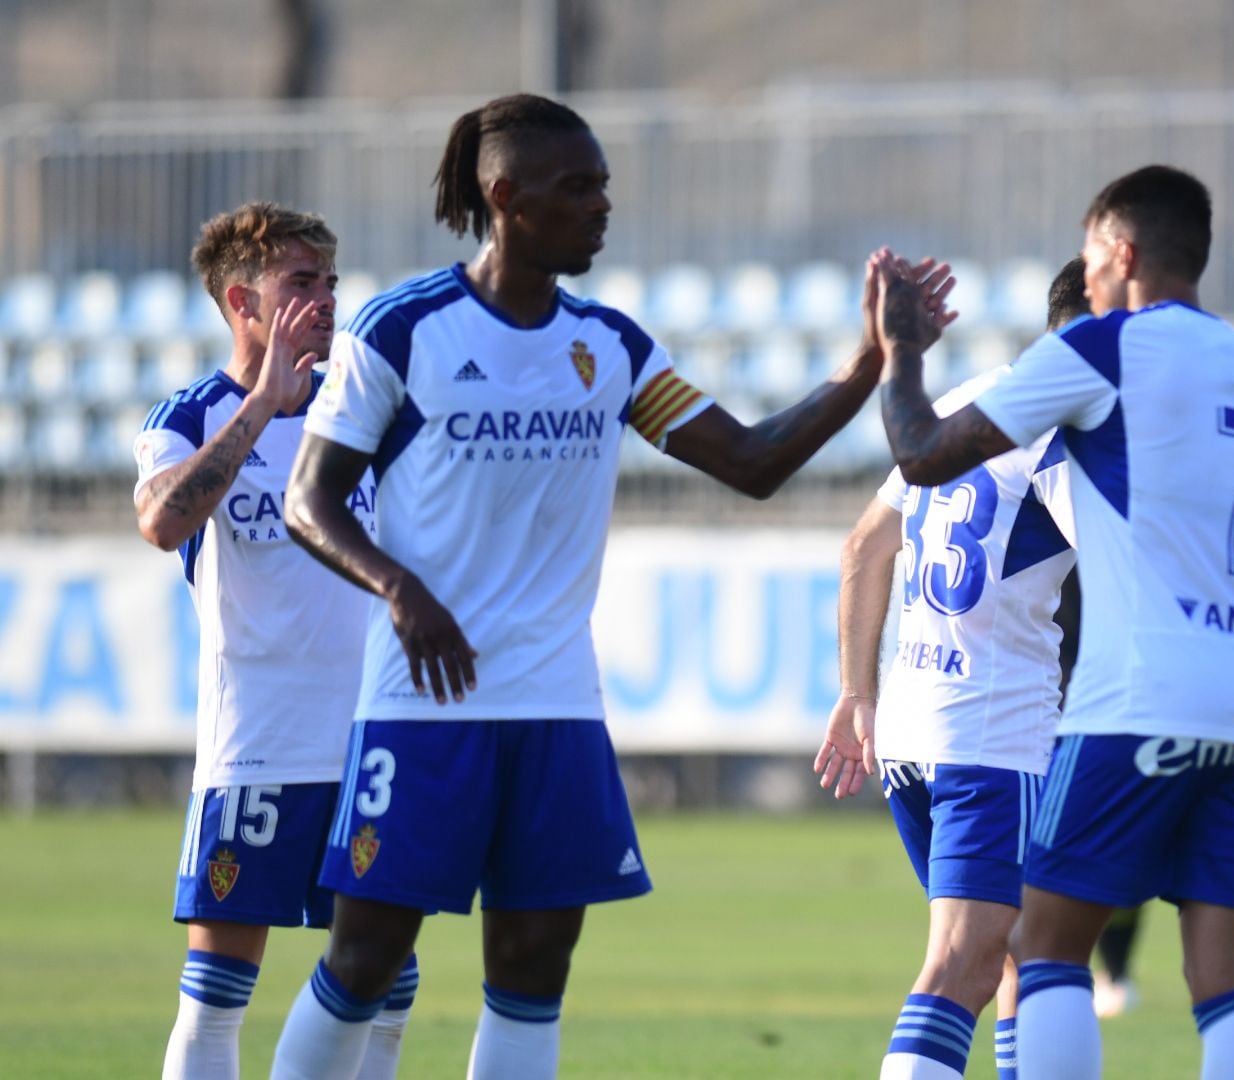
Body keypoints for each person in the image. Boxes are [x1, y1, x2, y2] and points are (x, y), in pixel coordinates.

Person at [264, 93, 956, 1080]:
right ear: (504, 196)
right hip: (423, 708)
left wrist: (867, 365)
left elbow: (752, 462)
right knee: (365, 959)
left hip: (555, 707)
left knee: (535, 966)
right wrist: (398, 588)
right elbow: (309, 500)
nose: (601, 206)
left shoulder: (612, 348)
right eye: (576, 187)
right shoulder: (404, 329)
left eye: (603, 186)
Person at [869, 164, 1234, 1080]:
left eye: (1087, 256)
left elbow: (921, 455)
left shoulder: (1102, 348)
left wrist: (901, 351)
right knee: (1230, 983)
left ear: (1119, 253)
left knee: (1042, 947)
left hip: (1142, 696)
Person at [134, 203, 416, 1080]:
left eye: (329, 282)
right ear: (241, 302)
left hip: (366, 746)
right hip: (256, 749)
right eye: (300, 283)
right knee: (215, 997)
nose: (325, 300)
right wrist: (263, 405)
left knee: (386, 989)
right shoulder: (192, 416)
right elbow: (161, 520)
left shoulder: (363, 418)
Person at [814, 256, 1087, 1080]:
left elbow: (867, 543)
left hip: (911, 729)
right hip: (994, 737)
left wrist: (856, 692)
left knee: (1015, 953)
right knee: (964, 965)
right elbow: (1124, 563)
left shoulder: (968, 405)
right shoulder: (1060, 430)